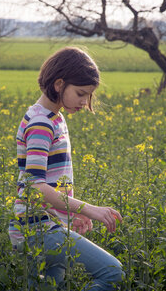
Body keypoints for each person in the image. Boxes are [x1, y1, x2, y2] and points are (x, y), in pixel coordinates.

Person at [8, 47, 124, 290]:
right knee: (112, 272)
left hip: (42, 224)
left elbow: (47, 185)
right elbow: (36, 189)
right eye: (81, 93)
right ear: (59, 84)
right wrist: (90, 209)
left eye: (88, 96)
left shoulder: (53, 118)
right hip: (36, 228)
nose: (85, 102)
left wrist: (71, 213)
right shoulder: (41, 123)